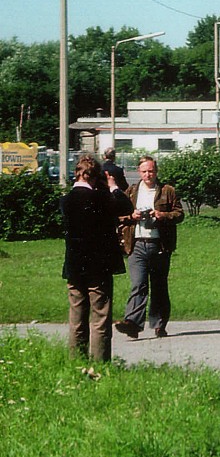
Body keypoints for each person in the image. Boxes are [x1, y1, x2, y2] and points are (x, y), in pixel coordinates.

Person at [62, 154, 132, 360]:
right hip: (98, 266)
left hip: (74, 265)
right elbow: (126, 207)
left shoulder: (66, 200)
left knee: (77, 317)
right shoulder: (101, 198)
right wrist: (113, 187)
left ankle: (76, 360)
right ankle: (100, 362)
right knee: (100, 316)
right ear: (94, 176)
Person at [115, 155, 184, 339]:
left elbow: (179, 214)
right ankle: (132, 323)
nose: (148, 175)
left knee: (159, 285)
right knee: (138, 284)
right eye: (144, 171)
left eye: (151, 171)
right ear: (139, 172)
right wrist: (132, 216)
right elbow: (118, 215)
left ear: (156, 171)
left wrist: (162, 215)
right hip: (136, 244)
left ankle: (159, 324)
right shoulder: (131, 192)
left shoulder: (167, 191)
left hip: (159, 244)